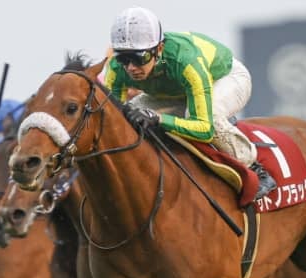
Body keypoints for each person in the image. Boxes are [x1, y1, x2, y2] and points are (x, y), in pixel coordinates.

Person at [104, 6, 276, 200]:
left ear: (159, 49)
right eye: (123, 58)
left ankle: (256, 169)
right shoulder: (116, 69)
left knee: (210, 118)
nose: (130, 68)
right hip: (177, 91)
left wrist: (159, 119)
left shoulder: (185, 61)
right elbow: (113, 120)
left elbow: (204, 129)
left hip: (224, 78)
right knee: (128, 113)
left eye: (139, 58)